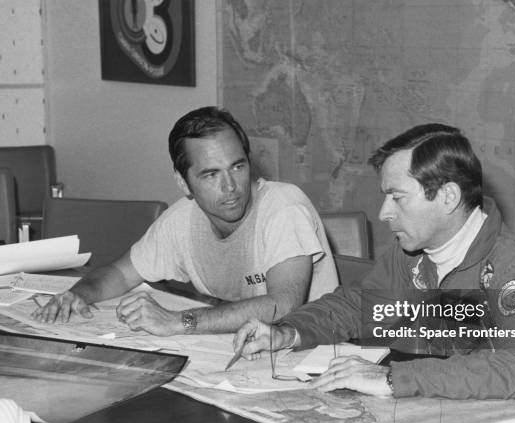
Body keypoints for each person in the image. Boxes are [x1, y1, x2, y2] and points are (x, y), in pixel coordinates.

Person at [233, 123, 515, 405]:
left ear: (448, 196)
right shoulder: (412, 252)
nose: (384, 213)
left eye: (397, 197)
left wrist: (392, 379)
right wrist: (288, 331)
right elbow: (359, 305)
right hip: (458, 402)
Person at [33, 107, 338, 335]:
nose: (230, 186)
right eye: (210, 175)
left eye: (237, 167)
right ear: (182, 182)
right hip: (247, 348)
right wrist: (78, 294)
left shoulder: (283, 207)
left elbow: (282, 306)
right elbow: (121, 274)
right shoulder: (181, 220)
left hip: (311, 349)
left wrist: (178, 321)